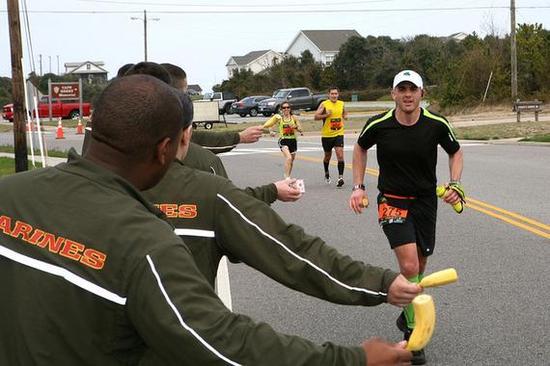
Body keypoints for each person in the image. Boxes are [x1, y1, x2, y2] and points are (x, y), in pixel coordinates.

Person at [0, 74, 417, 366]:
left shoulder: (11, 194)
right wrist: (352, 359)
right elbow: (224, 345)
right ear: (168, 147)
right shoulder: (147, 243)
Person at [349, 70, 465, 365]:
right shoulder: (379, 124)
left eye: (413, 89)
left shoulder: (436, 124)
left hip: (425, 202)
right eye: (402, 89)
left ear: (421, 94)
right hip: (392, 201)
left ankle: (406, 314)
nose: (407, 94)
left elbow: (456, 151)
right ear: (393, 94)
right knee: (410, 264)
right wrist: (358, 186)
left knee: (421, 264)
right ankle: (415, 334)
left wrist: (455, 183)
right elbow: (360, 147)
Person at [315, 87, 348, 188]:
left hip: (339, 133)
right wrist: (326, 115)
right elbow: (315, 117)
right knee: (327, 156)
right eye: (332, 94)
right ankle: (326, 172)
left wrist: (345, 116)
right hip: (327, 135)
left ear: (338, 94)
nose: (334, 95)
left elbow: (345, 112)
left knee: (340, 155)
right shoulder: (324, 104)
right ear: (328, 95)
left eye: (336, 94)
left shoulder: (341, 103)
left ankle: (340, 178)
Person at [263, 101, 303, 178]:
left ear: (290, 109)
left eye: (288, 107)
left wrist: (295, 127)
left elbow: (301, 129)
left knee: (291, 161)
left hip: (293, 140)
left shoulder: (294, 118)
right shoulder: (279, 118)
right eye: (284, 108)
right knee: (288, 158)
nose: (286, 109)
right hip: (283, 140)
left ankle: (288, 176)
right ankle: (287, 178)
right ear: (281, 109)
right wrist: (271, 131)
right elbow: (270, 125)